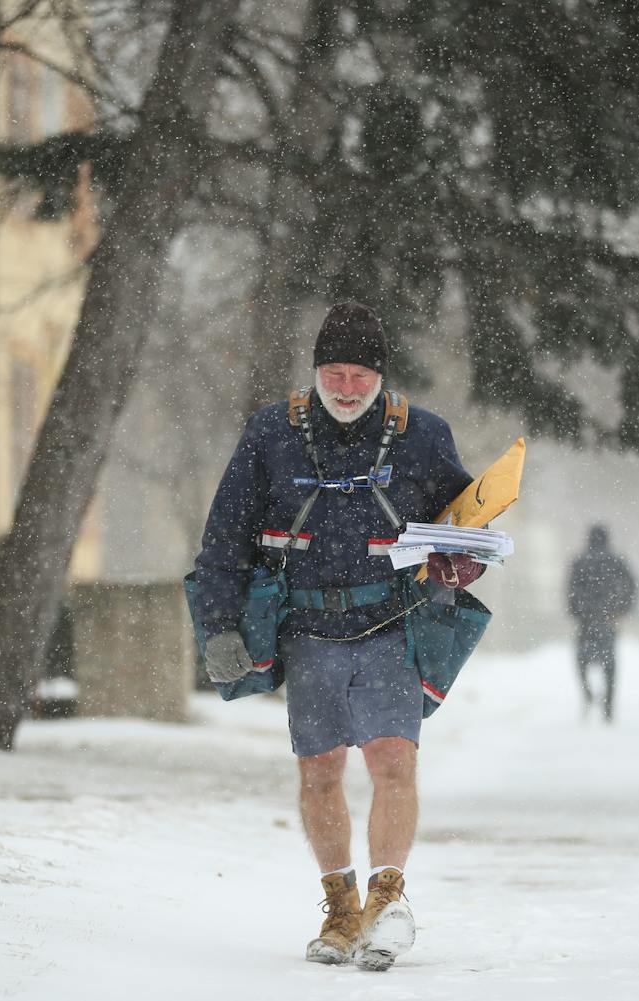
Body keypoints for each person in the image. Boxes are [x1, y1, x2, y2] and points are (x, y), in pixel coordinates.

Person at [192, 302, 482, 972]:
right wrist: (216, 625)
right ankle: (341, 909)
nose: (347, 387)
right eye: (335, 372)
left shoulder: (423, 435)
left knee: (393, 760)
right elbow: (225, 538)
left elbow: (465, 523)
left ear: (380, 376)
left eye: (359, 374)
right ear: (317, 370)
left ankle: (386, 900)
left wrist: (462, 560)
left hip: (388, 625)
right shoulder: (271, 432)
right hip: (309, 630)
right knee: (320, 772)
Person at [565, 523, 636, 722]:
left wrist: (576, 612)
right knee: (610, 663)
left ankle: (587, 692)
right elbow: (632, 586)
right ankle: (608, 706)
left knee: (581, 660)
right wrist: (622, 609)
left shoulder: (579, 561)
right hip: (608, 619)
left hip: (586, 620)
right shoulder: (617, 560)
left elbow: (570, 589)